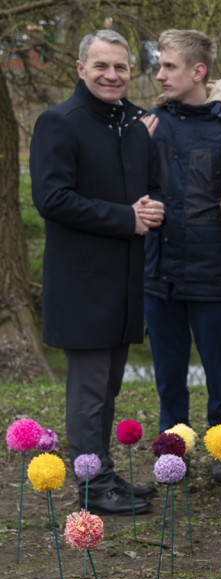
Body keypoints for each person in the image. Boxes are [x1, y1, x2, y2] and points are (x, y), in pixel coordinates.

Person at [30, 29, 163, 515]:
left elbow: (148, 187)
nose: (112, 75)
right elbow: (51, 199)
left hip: (125, 281)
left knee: (107, 388)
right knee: (88, 392)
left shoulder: (132, 123)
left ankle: (102, 471)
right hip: (81, 283)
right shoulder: (58, 122)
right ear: (81, 69)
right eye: (102, 66)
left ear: (131, 71)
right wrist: (127, 218)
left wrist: (153, 208)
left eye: (121, 67)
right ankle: (91, 486)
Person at [141, 30, 221, 485]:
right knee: (169, 376)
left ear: (198, 71)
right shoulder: (149, 125)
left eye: (168, 66)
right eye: (159, 65)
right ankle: (175, 453)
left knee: (220, 373)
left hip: (213, 273)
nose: (159, 74)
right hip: (159, 272)